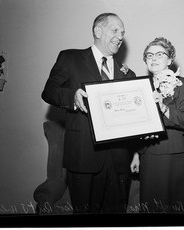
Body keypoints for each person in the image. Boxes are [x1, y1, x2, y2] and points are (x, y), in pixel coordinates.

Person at [42, 13, 136, 213]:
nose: (120, 36)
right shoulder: (70, 58)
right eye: (115, 30)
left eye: (123, 33)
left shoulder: (128, 73)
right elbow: (49, 91)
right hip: (83, 155)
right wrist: (72, 97)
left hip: (119, 160)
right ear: (98, 31)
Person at [130, 37, 184, 213]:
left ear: (170, 59)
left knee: (175, 207)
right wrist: (136, 154)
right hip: (148, 154)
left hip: (174, 155)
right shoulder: (141, 86)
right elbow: (136, 124)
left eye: (159, 54)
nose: (154, 58)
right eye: (149, 55)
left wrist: (163, 108)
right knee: (150, 206)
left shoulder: (183, 84)